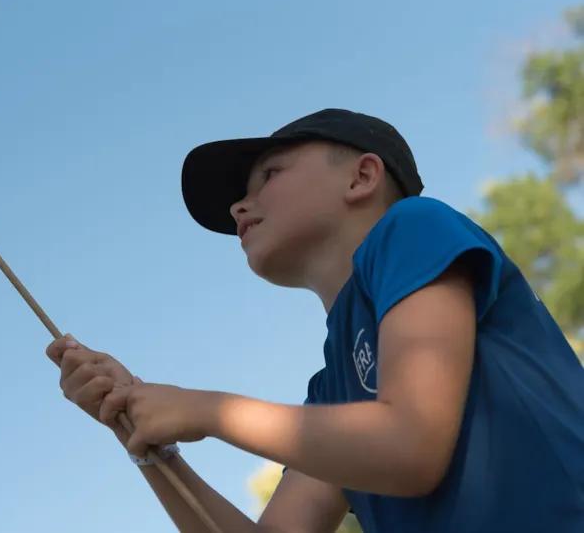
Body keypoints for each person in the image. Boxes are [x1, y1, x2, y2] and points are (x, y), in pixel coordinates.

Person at [46, 108, 584, 533]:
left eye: (269, 175)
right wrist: (144, 437)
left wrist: (204, 409)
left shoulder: (413, 226)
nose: (240, 206)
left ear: (362, 177)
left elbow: (410, 446)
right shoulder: (333, 389)